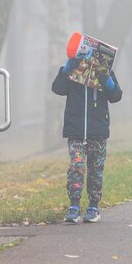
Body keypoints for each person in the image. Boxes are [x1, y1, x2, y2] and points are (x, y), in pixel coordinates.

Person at [51, 51, 124, 223]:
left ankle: (93, 206)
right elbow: (57, 88)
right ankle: (74, 205)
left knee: (95, 169)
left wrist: (109, 83)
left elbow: (116, 96)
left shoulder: (105, 73)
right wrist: (67, 68)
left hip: (97, 131)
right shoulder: (71, 72)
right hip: (75, 131)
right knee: (76, 166)